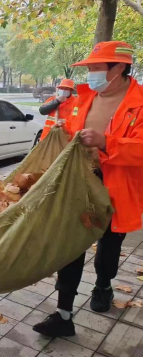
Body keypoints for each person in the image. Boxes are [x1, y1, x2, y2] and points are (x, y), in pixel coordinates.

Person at [33, 41, 143, 337]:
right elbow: (62, 129)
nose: (90, 75)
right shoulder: (82, 98)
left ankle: (103, 284)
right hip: (77, 186)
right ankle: (63, 314)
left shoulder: (140, 102)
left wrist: (107, 142)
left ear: (118, 68)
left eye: (96, 68)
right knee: (69, 248)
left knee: (109, 247)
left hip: (115, 191)